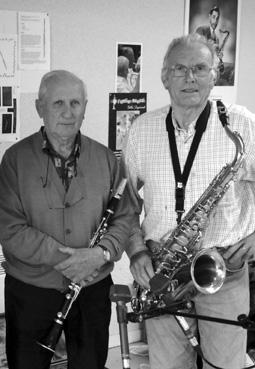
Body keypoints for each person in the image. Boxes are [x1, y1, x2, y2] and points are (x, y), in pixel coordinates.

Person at [123, 33, 255, 369]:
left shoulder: (241, 123)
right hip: (163, 272)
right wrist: (136, 250)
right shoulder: (141, 129)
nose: (190, 77)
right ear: (165, 76)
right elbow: (125, 204)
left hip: (223, 271)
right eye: (180, 69)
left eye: (200, 68)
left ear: (215, 75)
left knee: (226, 366)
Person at [0, 69, 133, 369]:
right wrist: (69, 260)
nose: (68, 112)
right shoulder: (14, 160)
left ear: (85, 108)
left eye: (76, 103)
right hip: (31, 291)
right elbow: (9, 228)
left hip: (92, 288)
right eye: (58, 103)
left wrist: (99, 254)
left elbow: (125, 217)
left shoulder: (106, 158)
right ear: (40, 108)